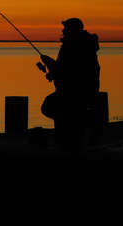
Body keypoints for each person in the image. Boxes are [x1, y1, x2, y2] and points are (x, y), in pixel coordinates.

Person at [38, 18, 100, 151]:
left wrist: (49, 62)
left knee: (50, 106)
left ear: (72, 30)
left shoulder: (71, 46)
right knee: (59, 107)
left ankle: (67, 136)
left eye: (65, 28)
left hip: (73, 92)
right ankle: (72, 133)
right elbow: (67, 71)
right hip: (88, 90)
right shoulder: (86, 45)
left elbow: (66, 71)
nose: (62, 31)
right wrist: (53, 72)